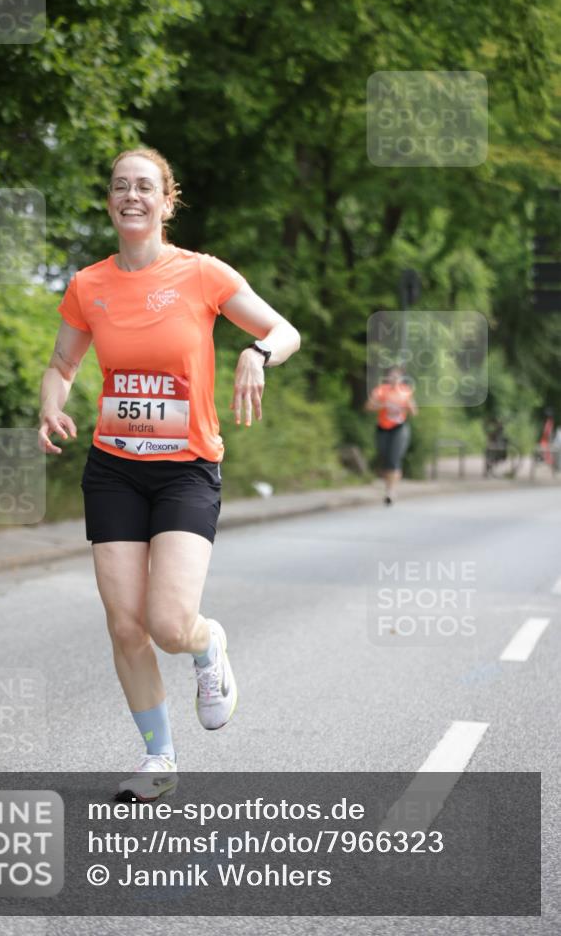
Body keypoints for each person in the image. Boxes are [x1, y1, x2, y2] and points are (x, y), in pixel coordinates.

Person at [37, 147, 300, 801]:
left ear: (166, 201)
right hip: (114, 469)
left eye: (144, 186)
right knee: (125, 624)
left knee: (169, 623)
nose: (131, 195)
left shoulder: (202, 274)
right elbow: (63, 365)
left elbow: (283, 329)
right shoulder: (88, 285)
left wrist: (256, 353)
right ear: (109, 201)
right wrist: (50, 405)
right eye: (120, 186)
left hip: (186, 470)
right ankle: (159, 759)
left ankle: (207, 645)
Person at [365, 365, 417, 505]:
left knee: (394, 459)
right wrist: (383, 404)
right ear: (387, 377)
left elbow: (414, 412)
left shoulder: (405, 391)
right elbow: (368, 406)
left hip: (399, 428)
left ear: (401, 378)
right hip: (383, 428)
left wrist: (407, 405)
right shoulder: (380, 390)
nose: (394, 378)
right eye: (391, 375)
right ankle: (388, 487)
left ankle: (391, 491)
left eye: (397, 376)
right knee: (385, 458)